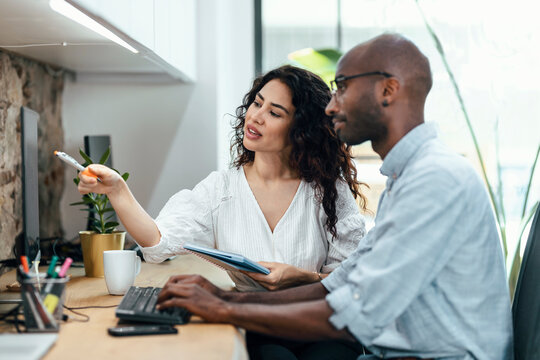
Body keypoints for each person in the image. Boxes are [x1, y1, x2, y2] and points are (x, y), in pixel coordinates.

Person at [155, 33, 514, 360]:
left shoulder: (435, 181)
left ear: (387, 91)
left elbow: (353, 313)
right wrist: (224, 297)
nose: (330, 107)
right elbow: (339, 286)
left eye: (341, 88)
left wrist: (225, 309)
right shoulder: (409, 178)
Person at [78, 65, 368, 292]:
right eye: (257, 103)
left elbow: (353, 279)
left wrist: (305, 278)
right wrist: (118, 190)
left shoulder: (327, 191)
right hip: (256, 322)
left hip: (316, 319)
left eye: (274, 113)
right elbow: (157, 242)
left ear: (301, 131)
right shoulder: (221, 189)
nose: (256, 117)